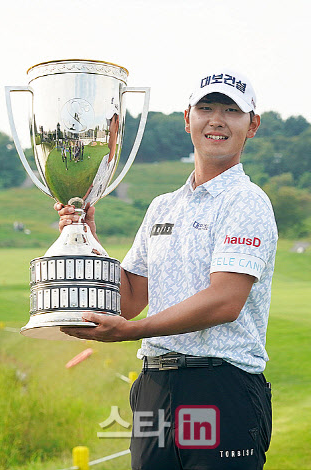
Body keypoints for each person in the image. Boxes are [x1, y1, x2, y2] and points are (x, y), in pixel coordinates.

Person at [56, 68, 277, 470]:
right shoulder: (163, 206)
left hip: (218, 387)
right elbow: (129, 298)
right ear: (187, 118)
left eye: (232, 110)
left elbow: (225, 300)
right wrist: (88, 238)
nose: (216, 120)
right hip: (154, 387)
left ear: (252, 125)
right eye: (206, 107)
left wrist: (131, 332)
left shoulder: (246, 201)